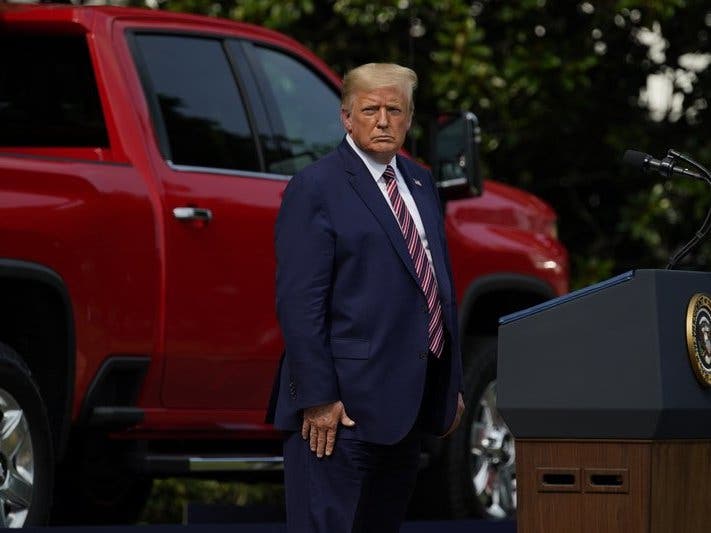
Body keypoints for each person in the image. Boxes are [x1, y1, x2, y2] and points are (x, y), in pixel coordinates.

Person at [268, 62, 465, 533]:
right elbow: (299, 303)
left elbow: (434, 286)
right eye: (370, 109)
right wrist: (317, 398)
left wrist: (448, 383)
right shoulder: (316, 187)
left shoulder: (420, 184)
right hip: (339, 414)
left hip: (406, 408)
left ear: (409, 118)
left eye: (394, 110)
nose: (382, 120)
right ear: (346, 117)